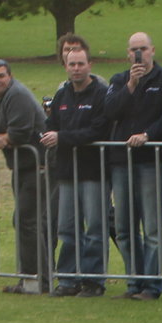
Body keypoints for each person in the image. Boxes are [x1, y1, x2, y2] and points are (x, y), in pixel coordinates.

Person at [104, 32, 162, 300]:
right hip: (121, 163)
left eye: (144, 49)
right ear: (128, 54)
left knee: (151, 227)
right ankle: (134, 282)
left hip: (151, 161)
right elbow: (110, 110)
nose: (139, 54)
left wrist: (147, 135)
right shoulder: (118, 80)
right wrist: (131, 85)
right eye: (134, 50)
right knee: (124, 228)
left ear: (153, 50)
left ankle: (152, 285)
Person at [0, 57, 47, 294]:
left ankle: (36, 281)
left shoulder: (18, 95)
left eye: (1, 75)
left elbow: (20, 134)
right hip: (20, 167)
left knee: (27, 221)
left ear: (9, 76)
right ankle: (34, 279)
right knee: (24, 221)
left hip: (40, 165)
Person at [43, 42, 110, 298]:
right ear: (66, 67)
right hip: (67, 172)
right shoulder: (62, 95)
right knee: (67, 228)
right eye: (72, 64)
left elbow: (97, 130)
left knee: (94, 228)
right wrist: (49, 135)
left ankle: (94, 281)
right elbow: (52, 125)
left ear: (90, 65)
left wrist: (62, 137)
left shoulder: (101, 94)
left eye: (81, 63)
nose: (76, 69)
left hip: (94, 172)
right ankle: (68, 279)